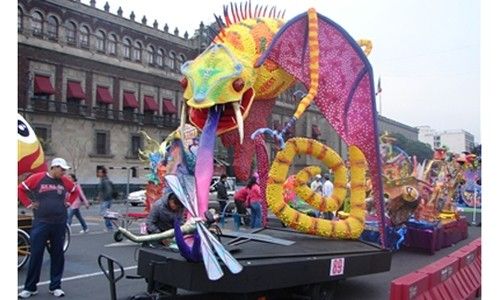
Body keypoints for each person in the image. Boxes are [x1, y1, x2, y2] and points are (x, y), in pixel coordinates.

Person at [18, 158, 78, 298]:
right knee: (36, 254)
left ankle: (55, 286)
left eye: (64, 170)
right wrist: (28, 204)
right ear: (54, 167)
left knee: (57, 255)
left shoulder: (64, 181)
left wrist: (69, 202)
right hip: (41, 222)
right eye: (61, 169)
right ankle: (30, 288)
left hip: (59, 223)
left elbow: (75, 191)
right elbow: (20, 189)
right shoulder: (37, 178)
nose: (63, 172)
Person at [96, 166, 114, 232]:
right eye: (98, 172)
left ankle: (109, 226)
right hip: (105, 199)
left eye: (100, 172)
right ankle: (109, 226)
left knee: (105, 213)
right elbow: (101, 190)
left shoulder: (105, 180)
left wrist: (104, 198)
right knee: (106, 213)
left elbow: (108, 190)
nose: (99, 173)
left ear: (103, 173)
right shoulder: (103, 180)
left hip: (106, 200)